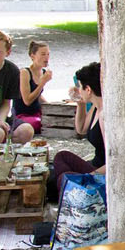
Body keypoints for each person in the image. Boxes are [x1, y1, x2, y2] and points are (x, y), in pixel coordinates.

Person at [48, 62, 104, 203]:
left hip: (102, 171)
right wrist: (80, 104)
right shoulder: (96, 107)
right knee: (61, 157)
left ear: (88, 89)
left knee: (62, 178)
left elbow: (113, 161)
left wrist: (89, 175)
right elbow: (81, 129)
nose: (79, 90)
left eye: (80, 86)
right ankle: (67, 191)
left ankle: (70, 196)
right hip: (94, 164)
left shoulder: (104, 114)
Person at [13, 40, 53, 135]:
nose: (46, 58)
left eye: (48, 54)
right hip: (22, 114)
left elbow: (38, 96)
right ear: (32, 56)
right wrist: (42, 83)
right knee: (39, 123)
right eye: (43, 54)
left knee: (57, 119)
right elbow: (27, 100)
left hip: (37, 112)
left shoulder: (43, 72)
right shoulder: (25, 72)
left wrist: (51, 107)